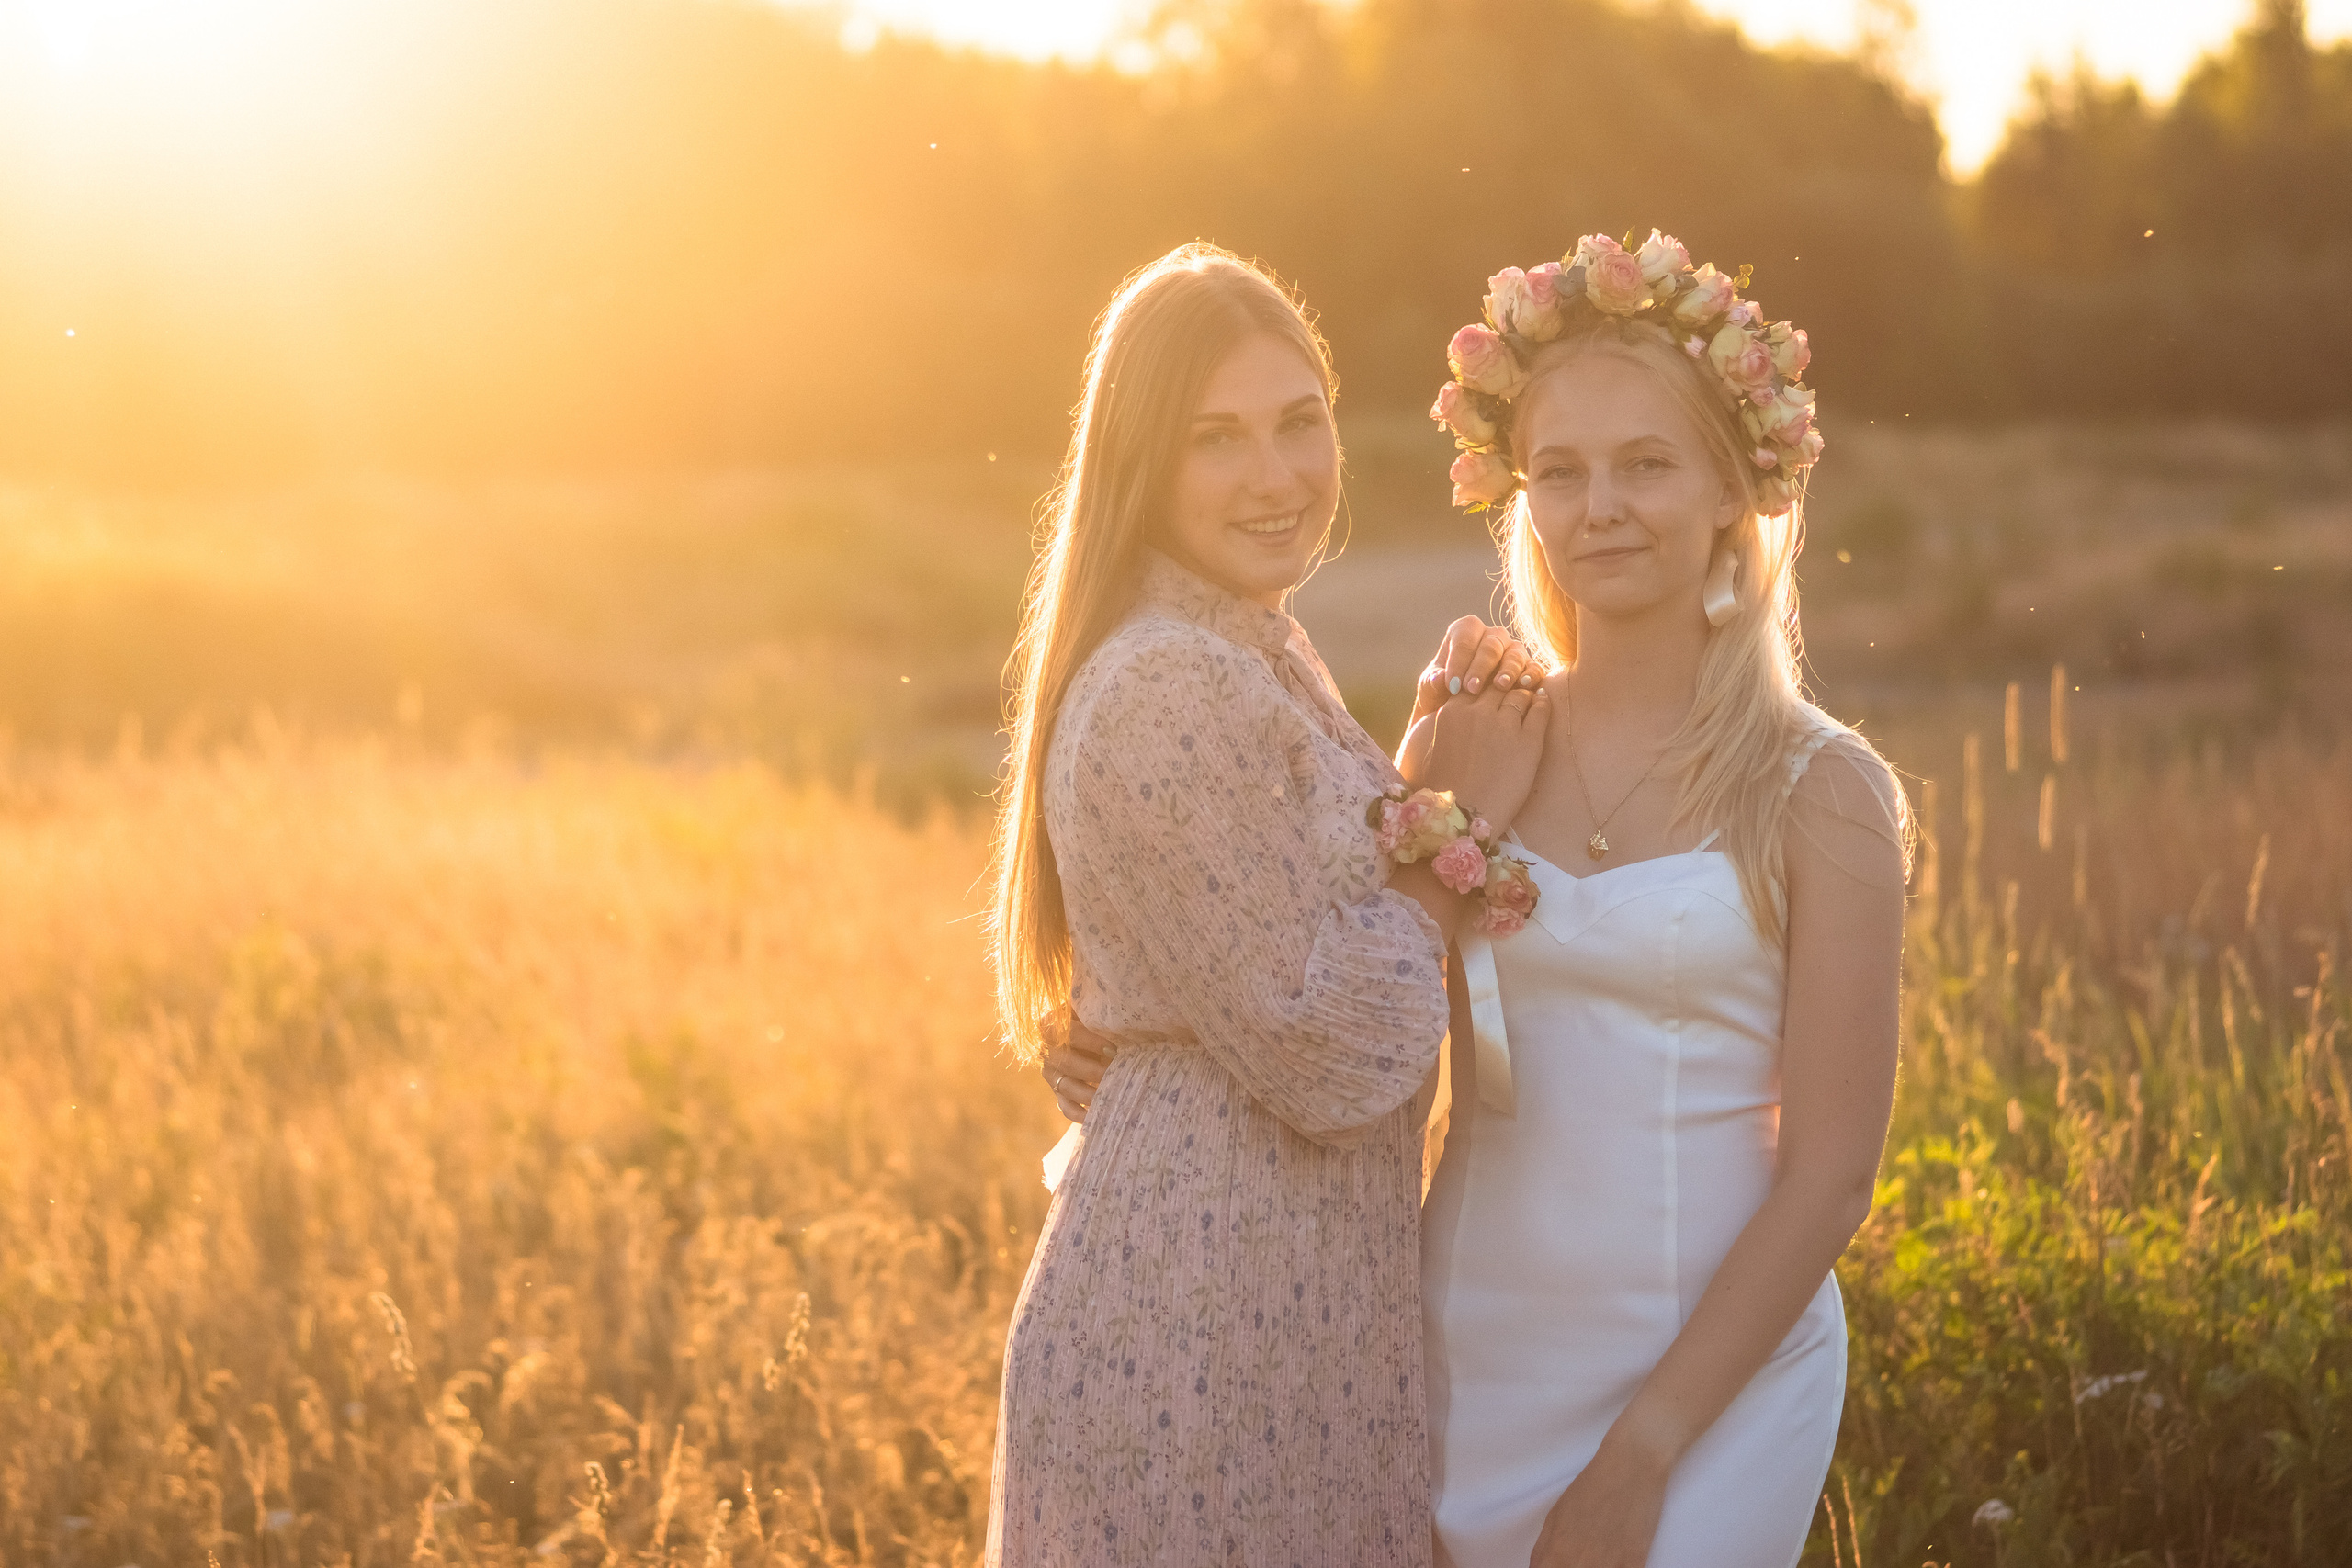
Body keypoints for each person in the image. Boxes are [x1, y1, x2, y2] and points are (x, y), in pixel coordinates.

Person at [985, 241, 1548, 1567]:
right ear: (1142, 464)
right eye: (1217, 440)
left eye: (1300, 424)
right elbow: (1334, 1050)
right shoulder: (1166, 680)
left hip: (1283, 1318)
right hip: (1201, 1343)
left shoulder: (1256, 644)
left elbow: (1263, 936)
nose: (1278, 475)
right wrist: (1443, 828)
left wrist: (1421, 766)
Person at [1413, 232, 1909, 1568]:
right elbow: (1362, 1014)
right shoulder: (1471, 743)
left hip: (1708, 1387)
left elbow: (1832, 1175)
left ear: (1729, 492)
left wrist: (1641, 1457)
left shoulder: (1825, 790)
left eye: (1646, 464)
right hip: (1472, 1347)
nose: (1600, 508)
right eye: (1560, 473)